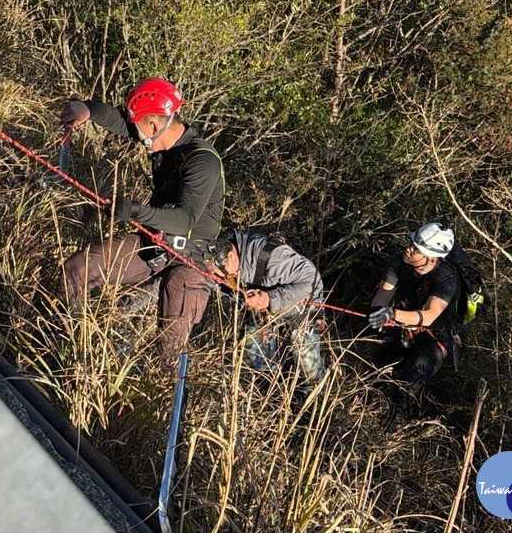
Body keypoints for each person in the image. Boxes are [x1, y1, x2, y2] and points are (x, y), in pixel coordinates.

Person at [59, 78, 225, 362]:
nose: (134, 131)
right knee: (76, 270)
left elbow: (184, 219)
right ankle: (67, 351)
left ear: (152, 125)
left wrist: (135, 211)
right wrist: (87, 109)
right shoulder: (159, 136)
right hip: (156, 241)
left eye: (138, 124)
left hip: (192, 258)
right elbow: (120, 121)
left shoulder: (202, 161)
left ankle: (160, 393)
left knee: (168, 351)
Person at [211, 228, 327, 388]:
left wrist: (269, 299)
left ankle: (311, 401)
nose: (221, 279)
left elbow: (312, 281)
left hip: (301, 303)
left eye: (222, 274)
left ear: (231, 255)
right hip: (258, 311)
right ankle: (272, 396)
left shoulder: (271, 255)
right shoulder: (215, 264)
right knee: (257, 359)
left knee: (308, 364)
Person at [366, 222, 458, 422]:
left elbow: (429, 315)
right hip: (403, 330)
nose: (408, 249)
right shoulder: (398, 262)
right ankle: (357, 416)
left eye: (416, 249)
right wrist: (378, 313)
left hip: (434, 338)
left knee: (405, 387)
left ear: (432, 259)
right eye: (410, 243)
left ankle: (396, 431)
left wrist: (391, 315)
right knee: (372, 374)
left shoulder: (446, 278)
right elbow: (383, 295)